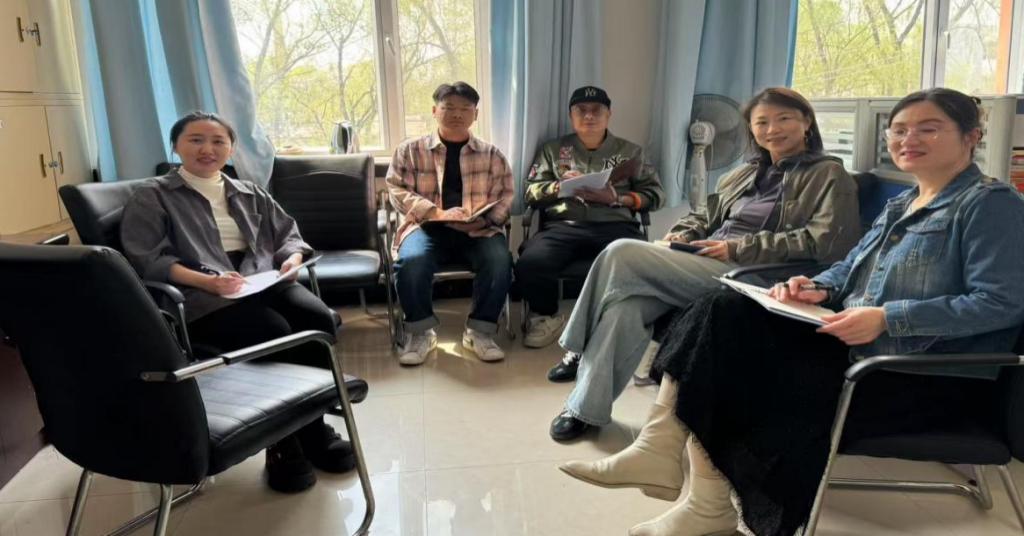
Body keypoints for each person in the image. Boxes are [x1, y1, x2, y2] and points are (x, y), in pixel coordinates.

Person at [559, 88, 1024, 536]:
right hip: (852, 346)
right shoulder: (903, 202)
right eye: (899, 130)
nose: (909, 139)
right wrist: (817, 287)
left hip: (909, 373)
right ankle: (662, 455)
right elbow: (849, 266)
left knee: (729, 352)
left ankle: (703, 502)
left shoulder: (990, 204)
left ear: (972, 136)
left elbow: (1001, 303)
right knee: (723, 311)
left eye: (929, 129)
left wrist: (887, 317)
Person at [548, 87, 862, 441]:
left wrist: (737, 248)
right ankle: (584, 409)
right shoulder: (743, 173)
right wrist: (681, 234)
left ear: (806, 122)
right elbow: (703, 215)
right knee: (626, 306)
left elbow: (827, 244)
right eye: (762, 122)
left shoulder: (829, 174)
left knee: (620, 251)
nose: (772, 129)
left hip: (757, 276)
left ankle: (575, 348)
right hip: (707, 262)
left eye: (784, 118)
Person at [121, 111, 353, 494]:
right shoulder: (153, 196)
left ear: (230, 149)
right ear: (175, 146)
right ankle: (282, 441)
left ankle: (313, 427)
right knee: (273, 332)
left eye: (218, 141)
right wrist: (208, 282)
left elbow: (288, 235)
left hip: (260, 278)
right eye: (196, 140)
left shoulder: (248, 191)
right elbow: (148, 259)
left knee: (318, 320)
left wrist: (292, 259)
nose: (208, 149)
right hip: (200, 292)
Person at [517, 86, 665, 348]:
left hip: (615, 224)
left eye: (596, 110)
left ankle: (623, 320)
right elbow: (530, 192)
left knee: (641, 262)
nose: (589, 116)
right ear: (571, 116)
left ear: (609, 115)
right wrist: (559, 186)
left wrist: (617, 198)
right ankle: (544, 317)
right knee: (531, 262)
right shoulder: (553, 150)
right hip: (563, 225)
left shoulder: (630, 152)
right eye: (581, 110)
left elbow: (655, 195)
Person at [386, 81, 514, 365]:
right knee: (412, 261)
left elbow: (506, 195)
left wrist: (485, 220)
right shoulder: (409, 150)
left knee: (499, 260)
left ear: (475, 114)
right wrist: (435, 213)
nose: (457, 114)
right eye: (449, 107)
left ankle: (479, 332)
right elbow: (396, 190)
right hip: (426, 227)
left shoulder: (492, 154)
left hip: (477, 229)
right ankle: (421, 333)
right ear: (435, 111)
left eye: (465, 108)